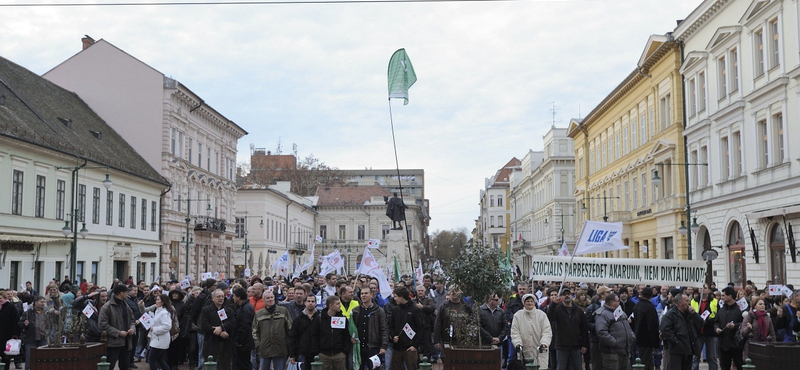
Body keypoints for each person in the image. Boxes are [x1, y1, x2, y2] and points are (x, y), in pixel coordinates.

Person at [546, 289, 588, 370]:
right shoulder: (557, 309)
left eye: (568, 294)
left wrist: (584, 344)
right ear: (561, 297)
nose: (566, 296)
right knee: (561, 367)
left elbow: (584, 328)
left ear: (571, 295)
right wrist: (554, 303)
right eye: (564, 294)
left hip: (576, 345)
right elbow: (550, 316)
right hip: (562, 346)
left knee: (577, 367)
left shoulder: (578, 310)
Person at [660, 294, 702, 370]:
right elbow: (666, 330)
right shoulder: (671, 314)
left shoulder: (689, 313)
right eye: (686, 301)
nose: (689, 303)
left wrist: (695, 314)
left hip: (688, 349)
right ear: (679, 303)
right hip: (676, 350)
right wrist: (676, 342)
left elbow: (701, 324)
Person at [311, 296, 354, 370]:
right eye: (337, 304)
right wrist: (317, 352)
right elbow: (314, 335)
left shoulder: (343, 318)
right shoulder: (319, 318)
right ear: (330, 305)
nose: (340, 305)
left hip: (339, 355)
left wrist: (344, 352)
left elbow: (346, 336)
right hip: (323, 355)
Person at [253, 290, 292, 370]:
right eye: (267, 298)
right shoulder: (259, 314)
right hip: (264, 349)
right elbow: (254, 331)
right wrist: (259, 345)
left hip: (280, 348)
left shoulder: (283, 311)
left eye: (271, 297)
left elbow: (290, 328)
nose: (270, 299)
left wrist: (287, 343)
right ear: (263, 300)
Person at [99, 284, 136, 370]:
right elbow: (103, 325)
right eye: (126, 292)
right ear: (121, 293)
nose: (128, 294)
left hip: (126, 342)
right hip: (113, 344)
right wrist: (118, 333)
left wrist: (132, 328)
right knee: (110, 366)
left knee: (125, 366)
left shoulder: (126, 305)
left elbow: (132, 320)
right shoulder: (107, 307)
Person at [595, 292, 635, 370]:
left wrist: (632, 337)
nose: (619, 302)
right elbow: (601, 332)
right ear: (612, 302)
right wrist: (615, 342)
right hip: (612, 352)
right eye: (618, 301)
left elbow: (627, 326)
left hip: (625, 350)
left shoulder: (620, 312)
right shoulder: (603, 314)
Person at [510, 293, 552, 368]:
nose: (529, 303)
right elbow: (515, 332)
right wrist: (517, 344)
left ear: (534, 302)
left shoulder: (542, 315)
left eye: (531, 301)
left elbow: (547, 331)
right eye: (527, 301)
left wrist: (544, 343)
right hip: (524, 350)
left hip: (540, 350)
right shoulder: (517, 316)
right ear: (524, 303)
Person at [351, 287, 389, 370]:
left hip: (373, 347)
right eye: (362, 294)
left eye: (366, 293)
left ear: (372, 295)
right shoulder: (355, 311)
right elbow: (352, 328)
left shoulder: (379, 311)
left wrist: (384, 346)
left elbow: (384, 329)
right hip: (359, 347)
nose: (363, 295)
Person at [199, 289, 235, 370]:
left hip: (226, 343)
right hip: (211, 342)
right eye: (218, 296)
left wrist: (221, 328)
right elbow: (204, 325)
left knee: (226, 366)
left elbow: (232, 323)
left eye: (222, 296)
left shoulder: (228, 310)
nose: (221, 298)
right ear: (213, 298)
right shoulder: (206, 310)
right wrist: (217, 332)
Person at [389, 286, 423, 370]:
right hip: (397, 347)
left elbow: (421, 328)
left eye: (396, 296)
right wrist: (393, 336)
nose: (394, 298)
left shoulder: (415, 310)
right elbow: (391, 326)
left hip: (410, 348)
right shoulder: (395, 310)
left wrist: (415, 346)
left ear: (401, 296)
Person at [714, 287, 743, 370]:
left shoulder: (739, 309)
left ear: (730, 296)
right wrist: (717, 329)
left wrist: (735, 326)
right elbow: (716, 322)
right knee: (724, 366)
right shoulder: (721, 310)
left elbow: (744, 323)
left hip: (736, 344)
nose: (721, 297)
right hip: (723, 344)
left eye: (723, 295)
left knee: (740, 365)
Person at [288, 295, 320, 370]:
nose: (310, 303)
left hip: (317, 352)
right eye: (308, 301)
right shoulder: (298, 318)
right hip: (302, 352)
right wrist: (292, 354)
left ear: (316, 303)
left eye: (312, 301)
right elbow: (293, 337)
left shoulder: (320, 317)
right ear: (305, 303)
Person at [632, 286, 660, 370]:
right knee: (645, 362)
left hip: (638, 337)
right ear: (651, 296)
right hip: (647, 340)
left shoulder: (637, 306)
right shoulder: (650, 308)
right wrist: (655, 342)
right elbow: (652, 326)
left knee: (646, 362)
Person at [690, 289, 718, 370]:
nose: (702, 290)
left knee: (712, 357)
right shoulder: (693, 301)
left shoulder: (714, 301)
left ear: (709, 290)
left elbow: (717, 316)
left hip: (710, 331)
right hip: (698, 332)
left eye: (705, 288)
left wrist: (707, 322)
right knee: (695, 357)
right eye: (701, 288)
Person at [19, 296, 48, 370]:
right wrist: (24, 324)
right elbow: (20, 323)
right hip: (31, 338)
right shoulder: (28, 312)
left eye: (44, 302)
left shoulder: (46, 312)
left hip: (42, 337)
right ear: (36, 302)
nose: (43, 304)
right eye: (41, 302)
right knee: (30, 356)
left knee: (43, 356)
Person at [585, 285, 610, 370]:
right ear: (602, 295)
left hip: (610, 340)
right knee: (597, 364)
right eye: (608, 292)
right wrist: (599, 326)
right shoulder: (592, 308)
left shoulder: (612, 307)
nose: (610, 294)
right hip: (596, 340)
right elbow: (587, 324)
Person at [148, 294, 174, 370]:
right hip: (158, 338)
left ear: (162, 302)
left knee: (151, 359)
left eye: (158, 300)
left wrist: (154, 329)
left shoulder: (164, 313)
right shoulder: (159, 310)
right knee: (159, 360)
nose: (156, 301)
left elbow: (167, 326)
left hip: (160, 339)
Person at [232, 288, 255, 370]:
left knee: (244, 364)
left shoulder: (246, 308)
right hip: (244, 342)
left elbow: (244, 326)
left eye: (234, 296)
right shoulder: (242, 307)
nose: (233, 298)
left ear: (239, 297)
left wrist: (238, 341)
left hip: (244, 343)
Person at [0, 291, 21, 370]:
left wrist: (15, 334)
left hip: (7, 335)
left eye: (1, 298)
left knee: (5, 355)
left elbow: (16, 321)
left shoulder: (10, 307)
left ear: (5, 298)